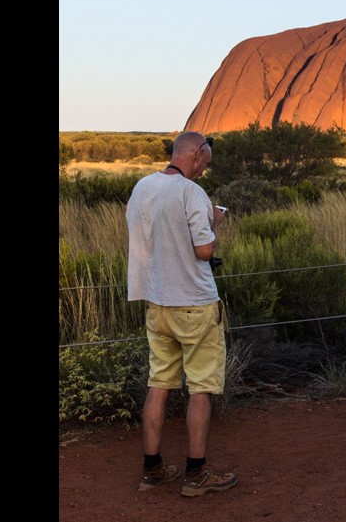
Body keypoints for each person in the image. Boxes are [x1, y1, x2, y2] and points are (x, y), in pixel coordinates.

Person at [126, 131, 238, 496]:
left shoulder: (142, 187)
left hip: (156, 303)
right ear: (196, 154)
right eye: (205, 161)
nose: (206, 168)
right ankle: (196, 474)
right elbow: (204, 250)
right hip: (194, 303)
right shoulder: (192, 193)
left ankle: (152, 469)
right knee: (201, 388)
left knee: (158, 384)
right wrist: (215, 223)